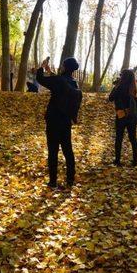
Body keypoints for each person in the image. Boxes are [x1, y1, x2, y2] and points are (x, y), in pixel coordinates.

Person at [36, 56, 82, 189]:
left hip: (53, 120)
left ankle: (53, 181)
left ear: (64, 67)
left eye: (62, 65)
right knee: (68, 150)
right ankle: (70, 179)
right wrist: (50, 71)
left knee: (53, 150)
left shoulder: (58, 81)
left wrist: (42, 67)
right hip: (66, 121)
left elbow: (41, 79)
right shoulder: (73, 83)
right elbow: (60, 82)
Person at [108, 69, 137, 166]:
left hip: (121, 116)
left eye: (121, 75)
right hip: (131, 116)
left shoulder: (120, 87)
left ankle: (117, 160)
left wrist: (116, 86)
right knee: (133, 138)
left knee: (119, 138)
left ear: (123, 77)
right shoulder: (133, 88)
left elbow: (110, 98)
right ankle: (135, 161)